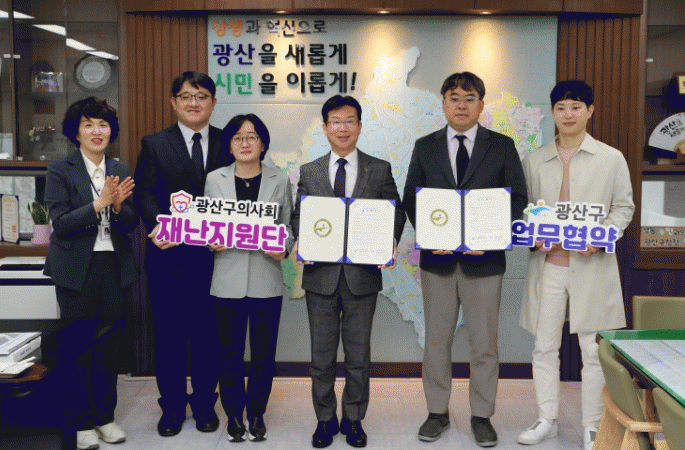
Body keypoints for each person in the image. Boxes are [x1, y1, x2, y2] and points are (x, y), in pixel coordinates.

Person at [403, 72, 527, 447]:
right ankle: (436, 412)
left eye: (469, 98)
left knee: (484, 344)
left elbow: (517, 198)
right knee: (436, 342)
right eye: (454, 97)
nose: (461, 105)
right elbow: (412, 197)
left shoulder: (501, 146)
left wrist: (488, 237)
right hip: (437, 263)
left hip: (484, 263)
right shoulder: (425, 146)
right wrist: (431, 235)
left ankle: (481, 415)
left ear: (481, 105)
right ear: (443, 103)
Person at [517, 80, 634, 450]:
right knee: (544, 346)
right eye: (561, 107)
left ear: (590, 111)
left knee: (592, 351)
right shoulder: (534, 160)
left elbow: (623, 207)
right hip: (549, 265)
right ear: (553, 112)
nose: (568, 114)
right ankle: (546, 419)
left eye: (576, 107)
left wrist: (600, 236)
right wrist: (533, 234)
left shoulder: (611, 158)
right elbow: (525, 209)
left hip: (592, 266)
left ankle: (592, 426)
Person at [291, 95, 406, 449]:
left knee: (358, 357)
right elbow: (299, 216)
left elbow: (395, 211)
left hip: (362, 277)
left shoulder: (379, 169)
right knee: (321, 357)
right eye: (336, 121)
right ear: (325, 127)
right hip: (320, 277)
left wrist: (388, 241)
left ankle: (353, 418)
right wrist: (301, 238)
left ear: (359, 126)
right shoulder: (310, 170)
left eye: (350, 120)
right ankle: (325, 419)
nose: (343, 128)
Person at [134, 71, 232, 437]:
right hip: (168, 256)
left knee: (209, 336)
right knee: (170, 337)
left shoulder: (228, 142)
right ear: (174, 102)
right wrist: (156, 225)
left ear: (213, 103)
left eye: (202, 96)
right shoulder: (154, 143)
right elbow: (145, 191)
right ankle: (172, 407)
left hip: (216, 258)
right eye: (186, 96)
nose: (194, 103)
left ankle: (205, 404)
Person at [44, 96, 137, 450]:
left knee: (108, 347)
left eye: (103, 124)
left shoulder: (120, 168)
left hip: (113, 265)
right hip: (75, 269)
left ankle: (105, 417)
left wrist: (119, 206)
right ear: (76, 132)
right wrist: (100, 203)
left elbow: (131, 223)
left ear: (111, 130)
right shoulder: (60, 170)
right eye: (88, 125)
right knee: (78, 346)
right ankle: (82, 422)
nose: (97, 131)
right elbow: (61, 224)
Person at [205, 114, 295, 443]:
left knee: (263, 354)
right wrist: (210, 240)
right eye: (238, 138)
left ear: (263, 144)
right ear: (229, 145)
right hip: (226, 280)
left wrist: (283, 247)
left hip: (266, 279)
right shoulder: (214, 179)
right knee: (228, 353)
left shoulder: (279, 179)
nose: (245, 143)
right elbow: (206, 223)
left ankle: (257, 412)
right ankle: (233, 414)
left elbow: (287, 226)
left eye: (252, 137)